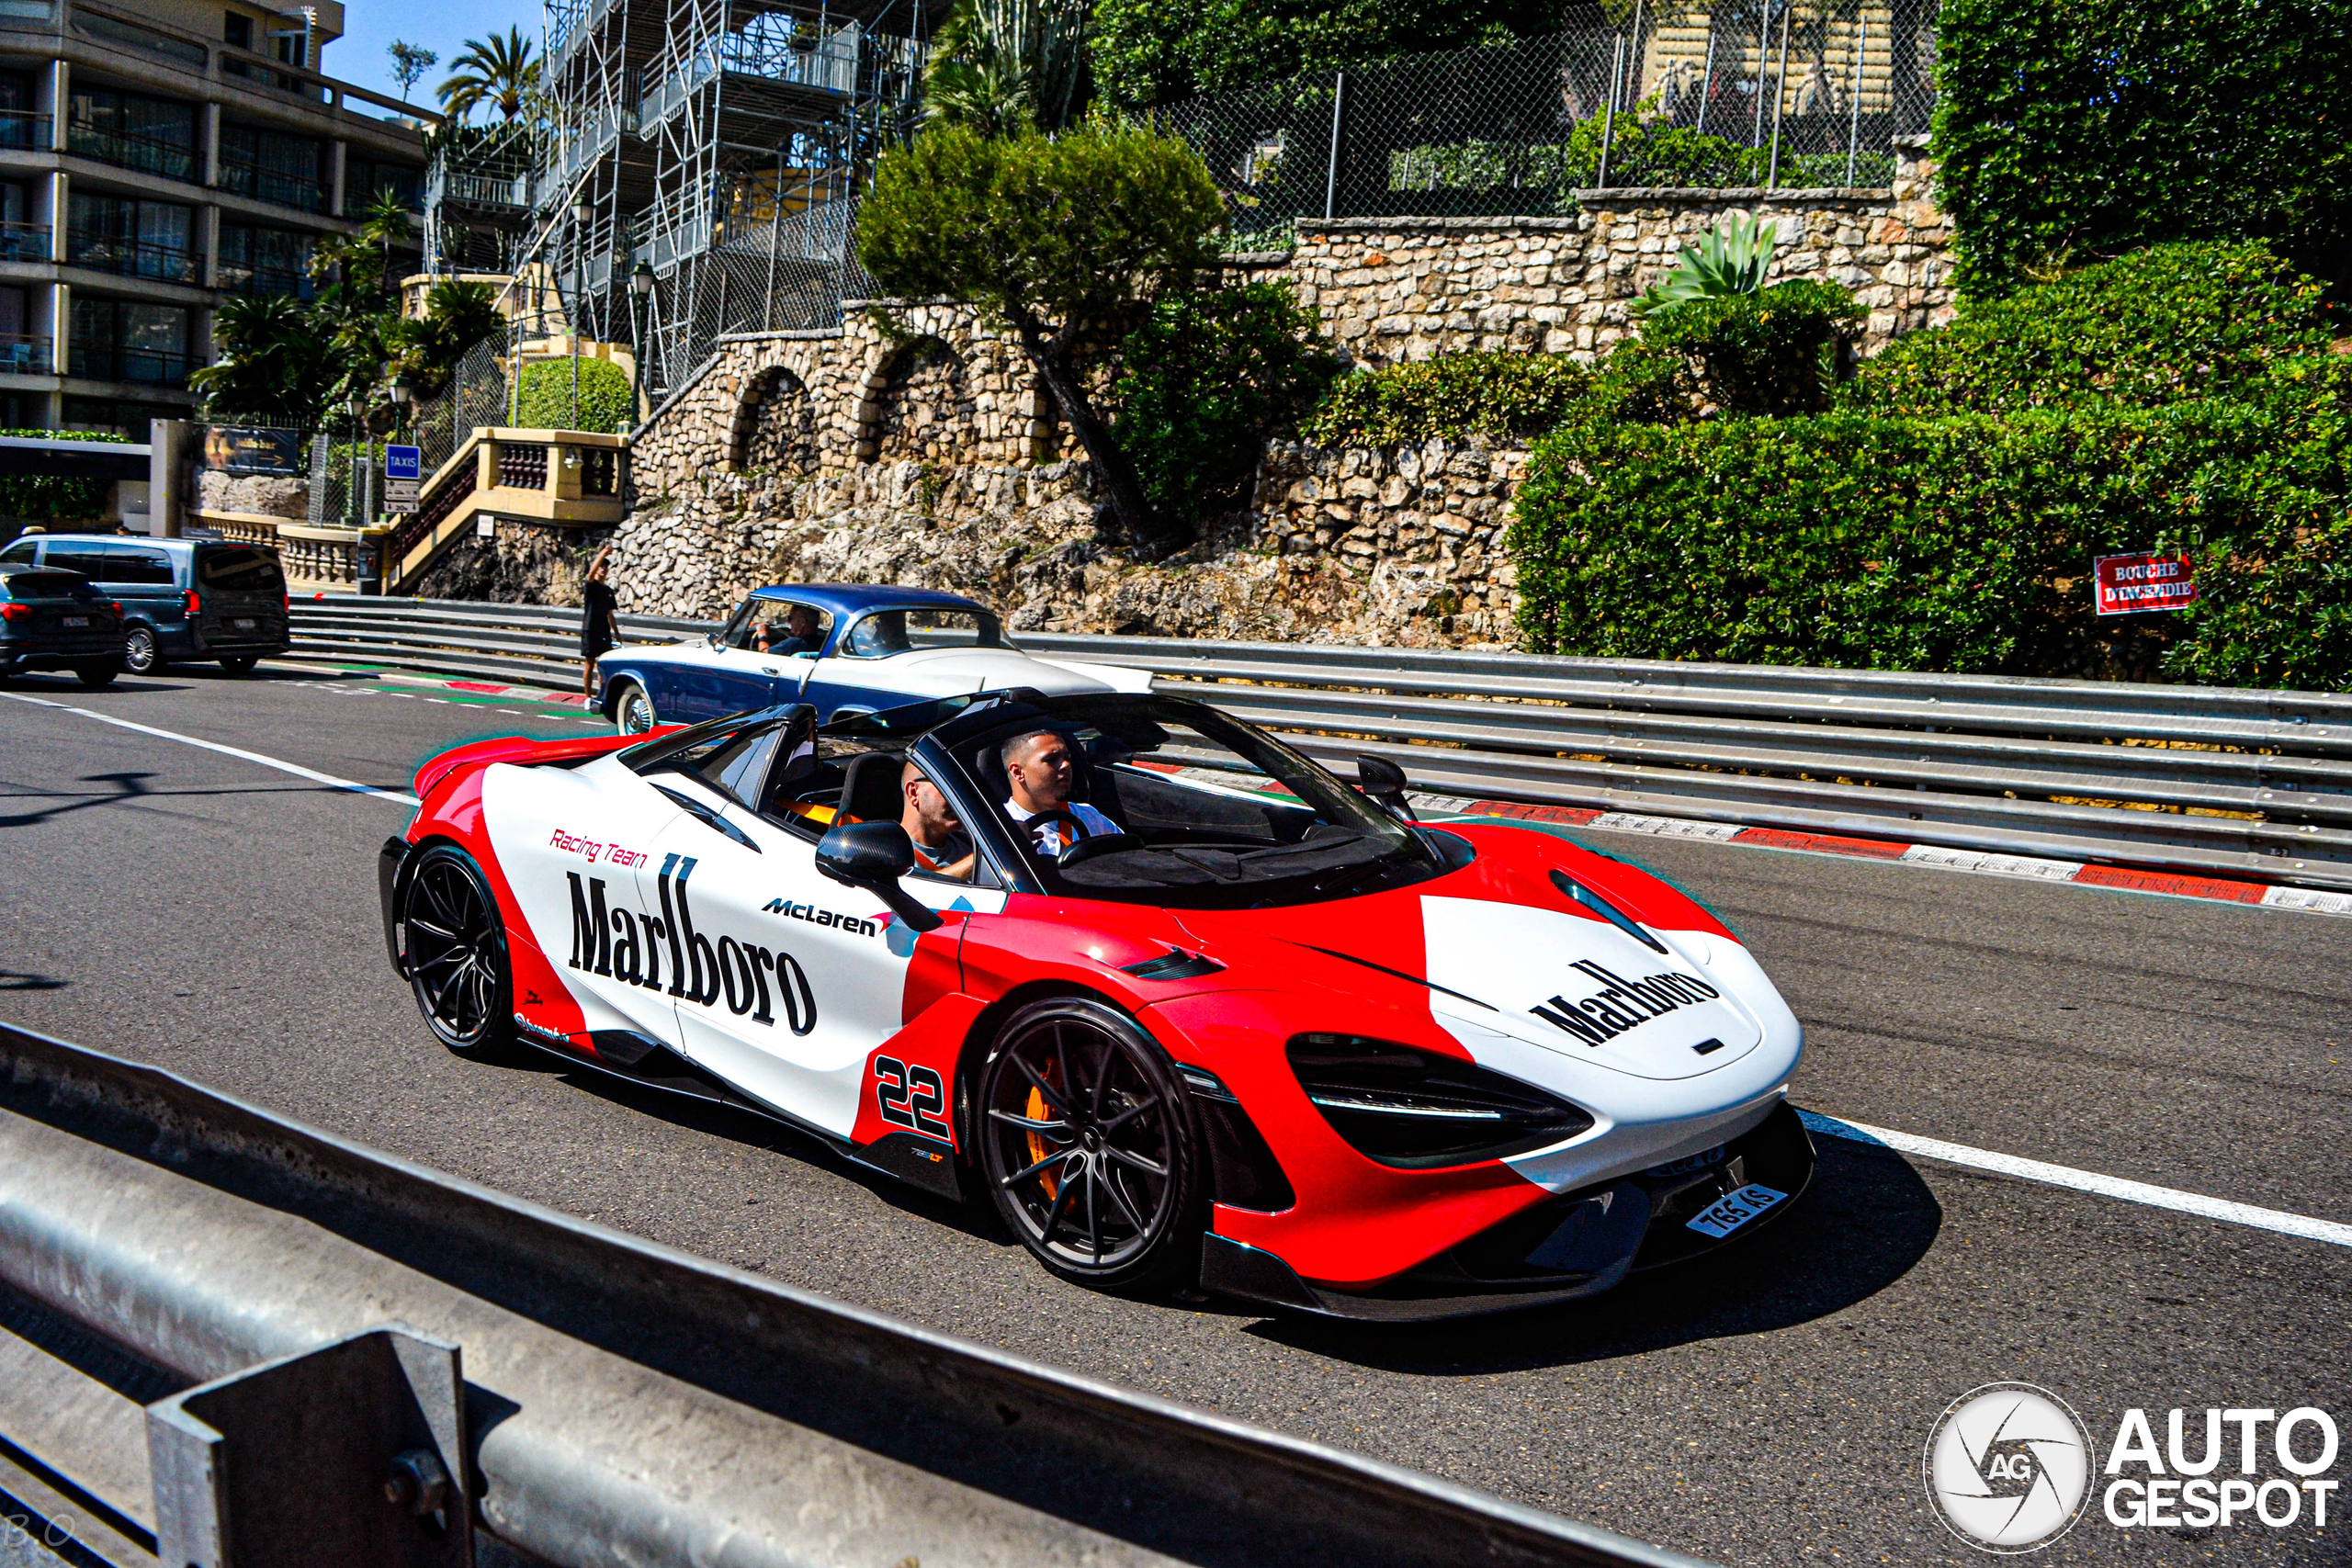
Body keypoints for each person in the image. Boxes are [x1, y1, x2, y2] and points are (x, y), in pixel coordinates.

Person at [1001, 729, 1123, 857]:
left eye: (1067, 757)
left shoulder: (1088, 815)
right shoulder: (999, 829)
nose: (1066, 764)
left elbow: (1129, 857)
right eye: (1051, 759)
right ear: (1017, 772)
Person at [899, 761, 975, 881]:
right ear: (914, 793)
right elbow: (917, 893)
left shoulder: (970, 842)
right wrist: (978, 862)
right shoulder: (888, 854)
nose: (960, 799)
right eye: (948, 787)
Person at [579, 547, 618, 701]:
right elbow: (590, 574)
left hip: (604, 631)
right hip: (590, 629)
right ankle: (588, 696)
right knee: (589, 663)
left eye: (605, 566)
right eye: (601, 566)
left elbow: (610, 614)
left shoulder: (608, 590)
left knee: (603, 664)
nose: (603, 569)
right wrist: (602, 553)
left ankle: (602, 694)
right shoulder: (591, 585)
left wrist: (617, 632)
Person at [755, 604, 823, 656]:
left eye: (790, 619)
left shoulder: (793, 644)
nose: (789, 622)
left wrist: (762, 637)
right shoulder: (823, 642)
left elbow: (764, 653)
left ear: (802, 622)